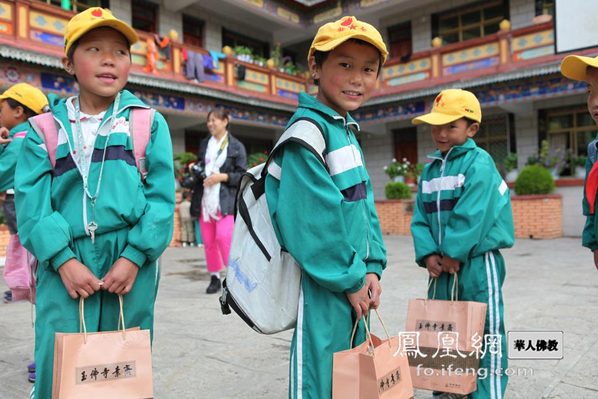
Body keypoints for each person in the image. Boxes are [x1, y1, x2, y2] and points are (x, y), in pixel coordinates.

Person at [14, 8, 175, 399]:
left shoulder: (146, 123)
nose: (109, 59)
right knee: (61, 358)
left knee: (123, 363)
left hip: (129, 261)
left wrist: (135, 255)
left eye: (121, 51)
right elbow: (32, 205)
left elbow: (161, 199)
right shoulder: (44, 130)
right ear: (68, 61)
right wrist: (64, 261)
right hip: (64, 263)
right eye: (94, 49)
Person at [264, 16, 388, 398]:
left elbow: (363, 206)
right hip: (323, 284)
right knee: (319, 375)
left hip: (351, 279)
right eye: (345, 65)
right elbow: (312, 225)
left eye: (368, 69)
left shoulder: (345, 130)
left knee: (351, 375)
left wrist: (372, 266)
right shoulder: (307, 133)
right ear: (315, 67)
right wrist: (351, 278)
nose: (357, 79)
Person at [410, 89, 515, 399]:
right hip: (441, 267)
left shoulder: (479, 163)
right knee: (443, 327)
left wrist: (454, 252)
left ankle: (487, 393)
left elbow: (474, 213)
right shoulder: (429, 171)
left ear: (472, 129)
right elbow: (420, 217)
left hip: (478, 264)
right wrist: (428, 253)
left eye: (450, 126)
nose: (440, 133)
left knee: (485, 329)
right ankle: (447, 389)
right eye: (435, 125)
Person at [0, 82, 48, 383]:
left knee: (43, 295)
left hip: (29, 225)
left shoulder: (20, 144)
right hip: (33, 226)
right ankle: (44, 357)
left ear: (19, 112)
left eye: (2, 108)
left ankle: (47, 360)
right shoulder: (28, 139)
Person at [189, 109, 246, 294]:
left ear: (226, 121)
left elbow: (242, 175)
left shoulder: (236, 146)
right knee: (208, 241)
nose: (210, 124)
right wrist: (194, 168)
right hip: (205, 199)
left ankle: (234, 277)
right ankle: (215, 277)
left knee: (224, 237)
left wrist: (222, 177)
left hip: (225, 201)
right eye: (208, 121)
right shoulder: (205, 144)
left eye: (214, 120)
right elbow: (201, 165)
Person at [560, 54, 598, 272]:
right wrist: (594, 243)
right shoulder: (594, 150)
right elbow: (591, 203)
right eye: (590, 91)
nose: (594, 101)